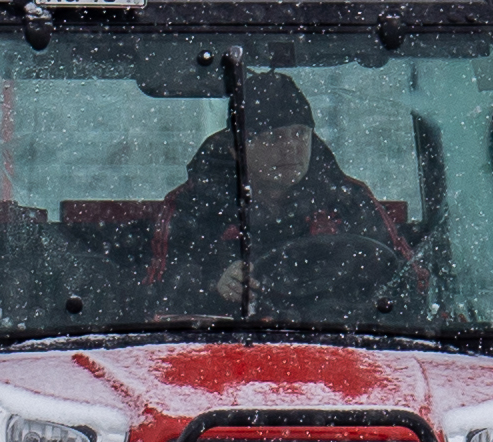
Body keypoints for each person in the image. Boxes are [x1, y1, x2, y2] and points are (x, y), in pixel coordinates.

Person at [150, 72, 420, 316]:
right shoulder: (193, 205)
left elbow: (411, 277)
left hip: (340, 344)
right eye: (273, 137)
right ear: (237, 148)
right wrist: (213, 287)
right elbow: (157, 291)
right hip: (229, 348)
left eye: (300, 134)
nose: (290, 147)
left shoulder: (350, 199)